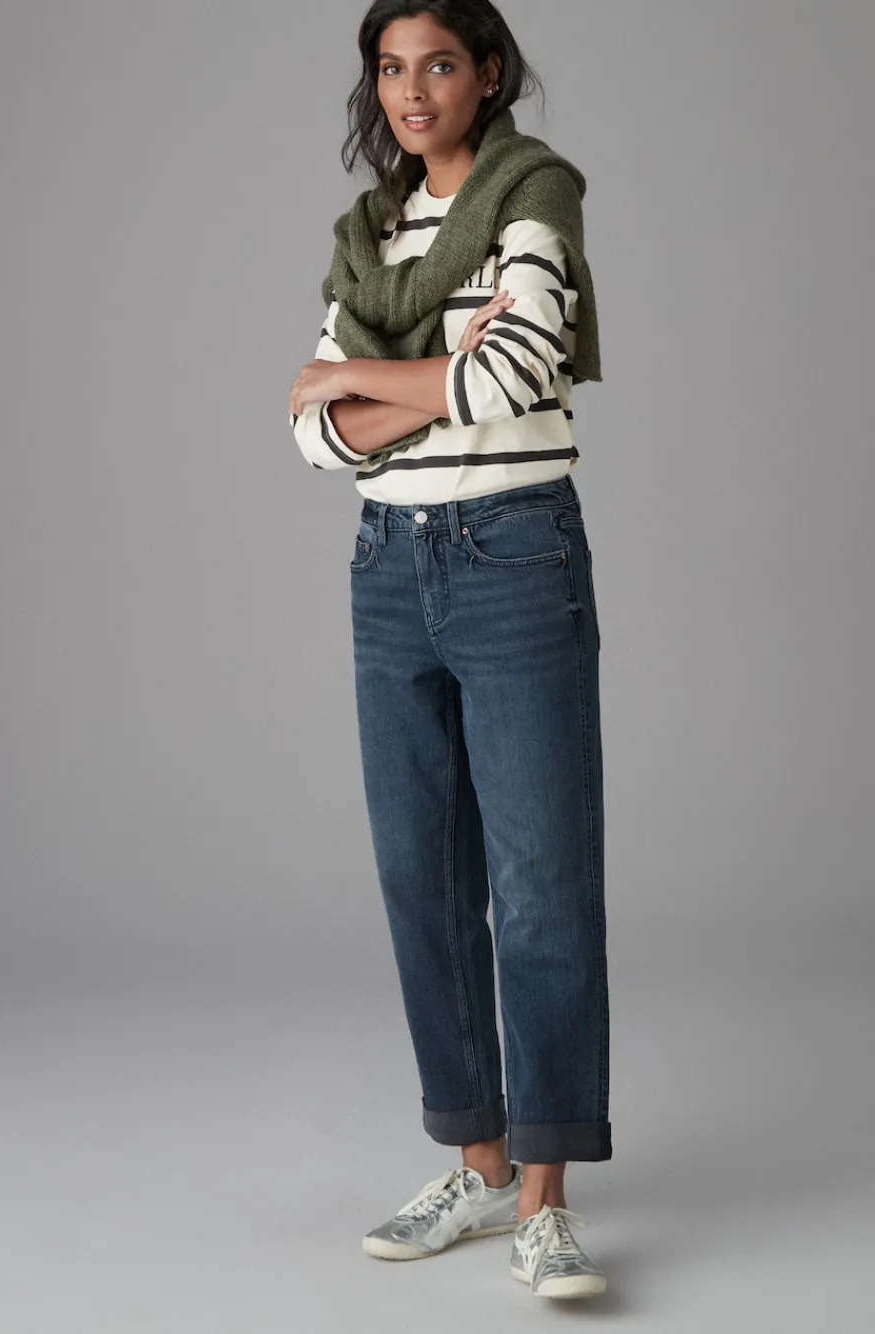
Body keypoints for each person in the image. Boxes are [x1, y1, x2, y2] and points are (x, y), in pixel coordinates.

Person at [289, 0, 610, 1301]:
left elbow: (516, 374)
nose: (412, 89)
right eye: (390, 68)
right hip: (387, 568)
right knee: (420, 876)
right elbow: (308, 433)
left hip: (514, 557)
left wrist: (363, 381)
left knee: (539, 884)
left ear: (487, 73)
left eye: (437, 64)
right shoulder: (368, 236)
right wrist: (420, 374)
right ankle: (476, 1167)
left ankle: (545, 1197)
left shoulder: (534, 199)